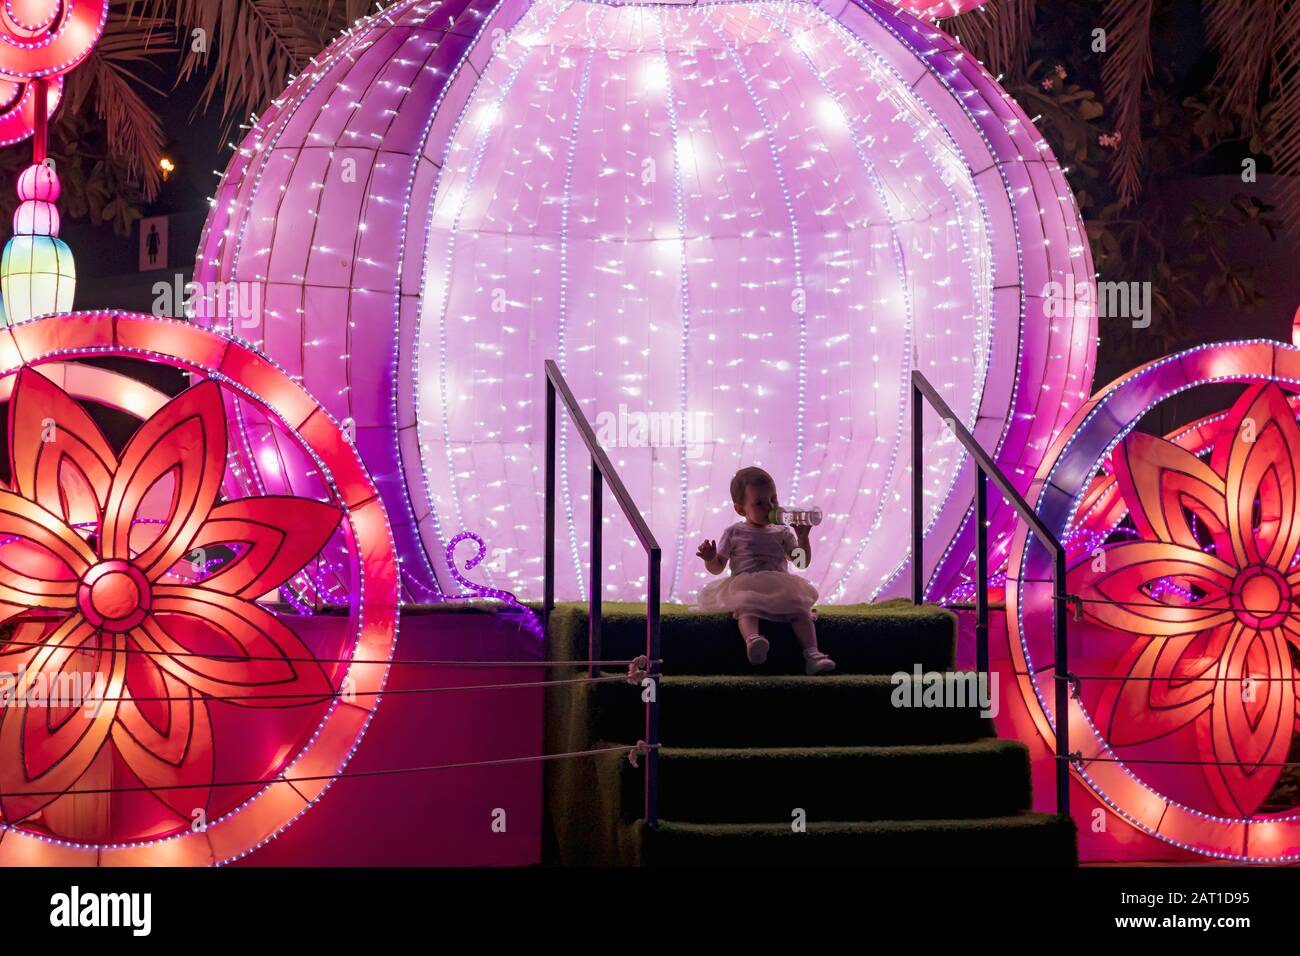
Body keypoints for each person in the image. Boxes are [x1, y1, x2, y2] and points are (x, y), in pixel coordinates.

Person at [695, 466, 835, 675]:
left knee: (800, 610)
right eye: (759, 503)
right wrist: (710, 559)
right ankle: (753, 641)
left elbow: (801, 562)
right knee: (745, 606)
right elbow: (718, 567)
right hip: (745, 582)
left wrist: (803, 537)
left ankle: (812, 654)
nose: (769, 506)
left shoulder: (782, 531)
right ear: (741, 509)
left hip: (779, 584)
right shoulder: (734, 532)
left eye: (773, 500)